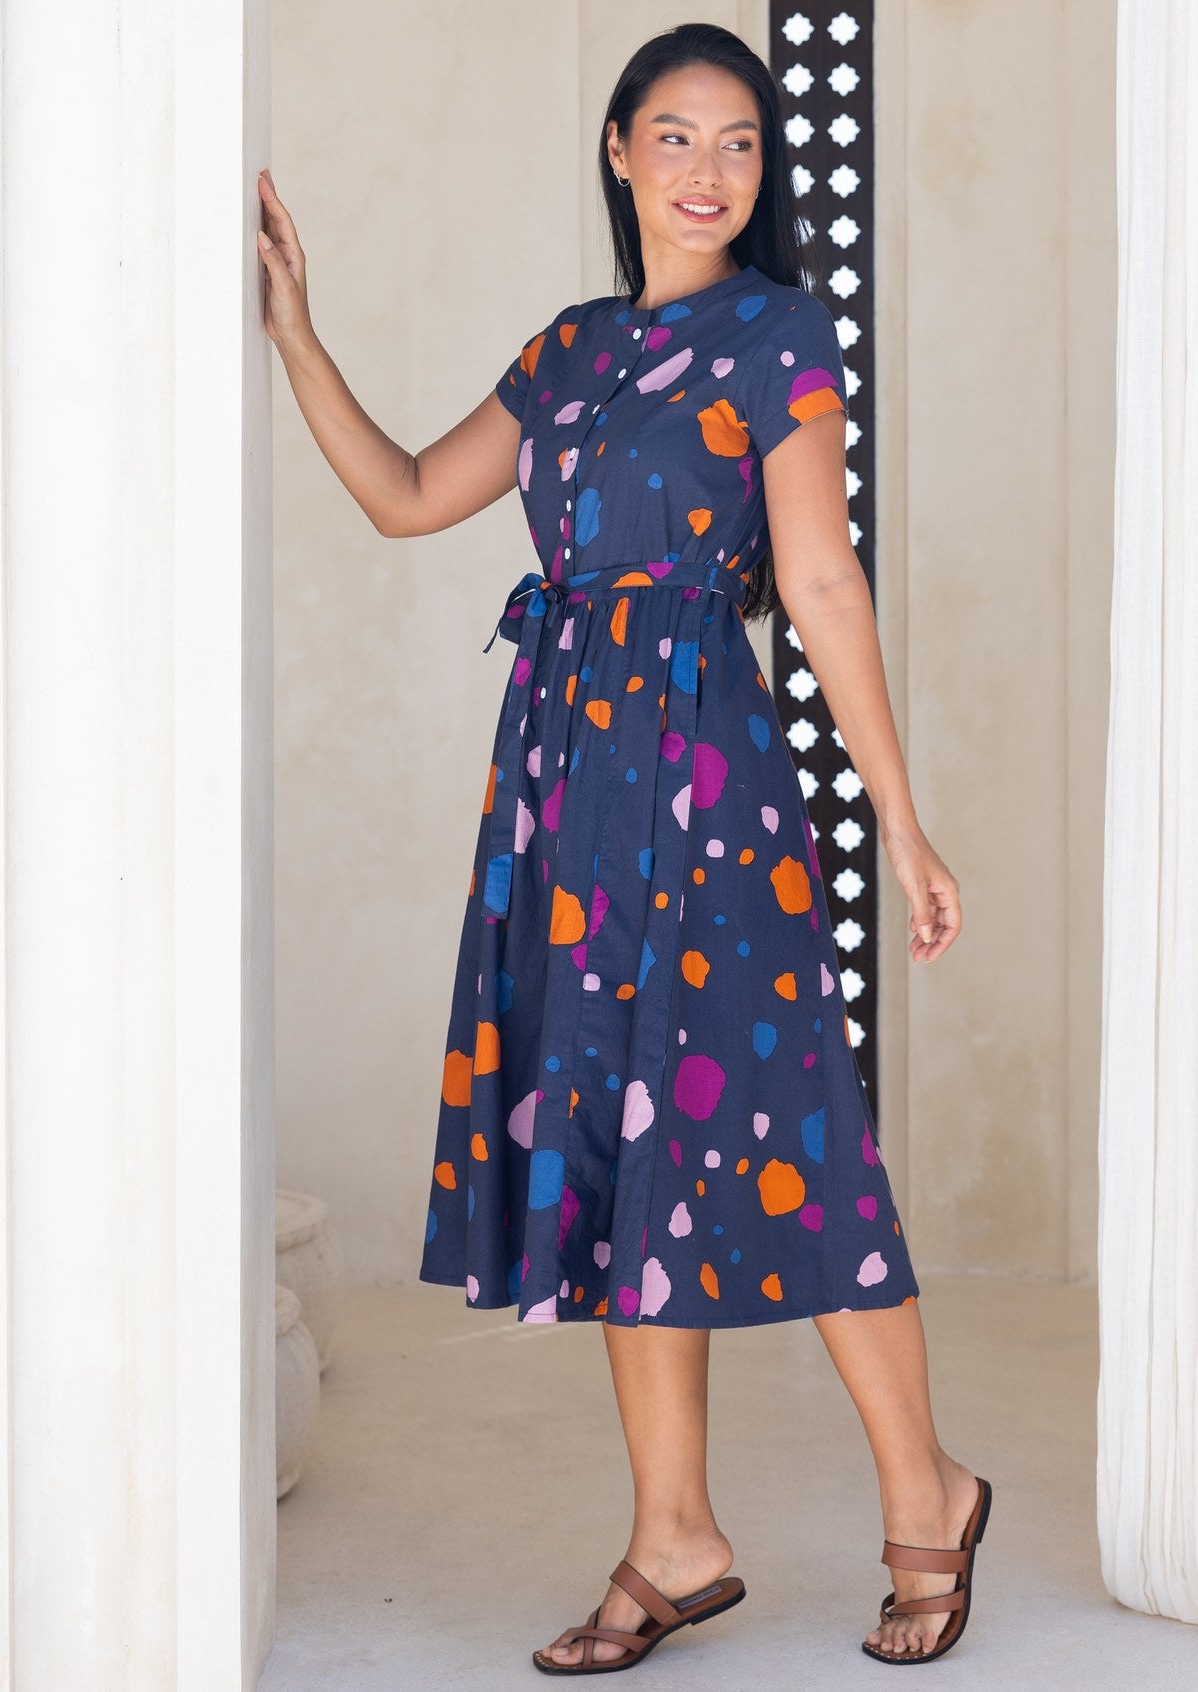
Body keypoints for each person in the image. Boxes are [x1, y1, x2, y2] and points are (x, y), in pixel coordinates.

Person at [258, 19, 991, 1676]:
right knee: (624, 1155)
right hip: (566, 793)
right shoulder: (568, 350)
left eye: (740, 144)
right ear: (618, 151)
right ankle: (678, 1533)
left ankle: (929, 1495)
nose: (710, 170)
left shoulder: (779, 334)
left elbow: (815, 583)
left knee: (799, 1137)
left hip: (711, 785)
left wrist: (898, 812)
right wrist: (297, 333)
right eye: (676, 137)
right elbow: (404, 495)